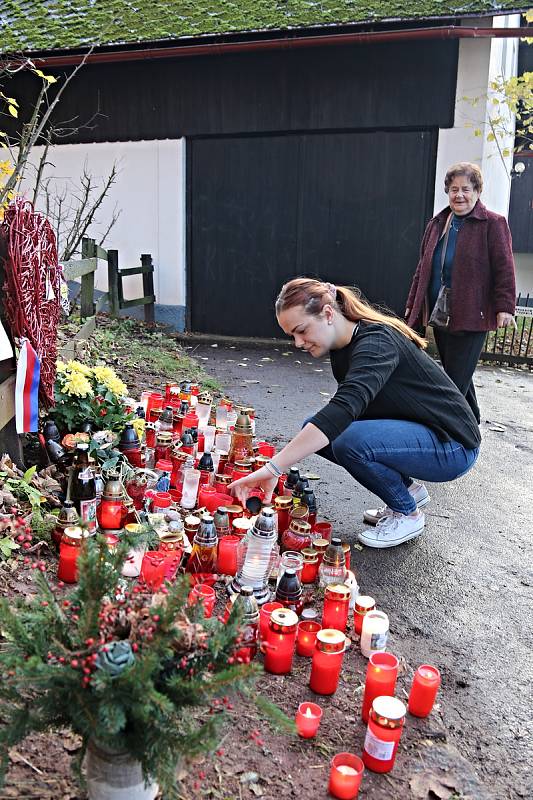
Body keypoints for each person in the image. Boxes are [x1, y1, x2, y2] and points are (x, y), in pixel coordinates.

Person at [229, 278, 481, 549]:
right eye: (292, 335)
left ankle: (407, 514)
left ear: (327, 314)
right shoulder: (344, 348)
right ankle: (407, 491)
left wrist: (273, 468)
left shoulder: (376, 342)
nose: (298, 343)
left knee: (349, 441)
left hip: (453, 447)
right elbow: (349, 411)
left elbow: (344, 409)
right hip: (424, 432)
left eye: (301, 331)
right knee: (316, 429)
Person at [405, 162, 516, 424]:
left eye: (466, 189)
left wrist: (504, 307)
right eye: (454, 189)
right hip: (441, 312)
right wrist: (413, 303)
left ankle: (448, 431)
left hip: (472, 315)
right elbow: (422, 269)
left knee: (453, 380)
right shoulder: (437, 224)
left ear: (477, 191)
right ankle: (472, 421)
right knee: (458, 375)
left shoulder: (493, 224)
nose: (459, 195)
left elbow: (505, 268)